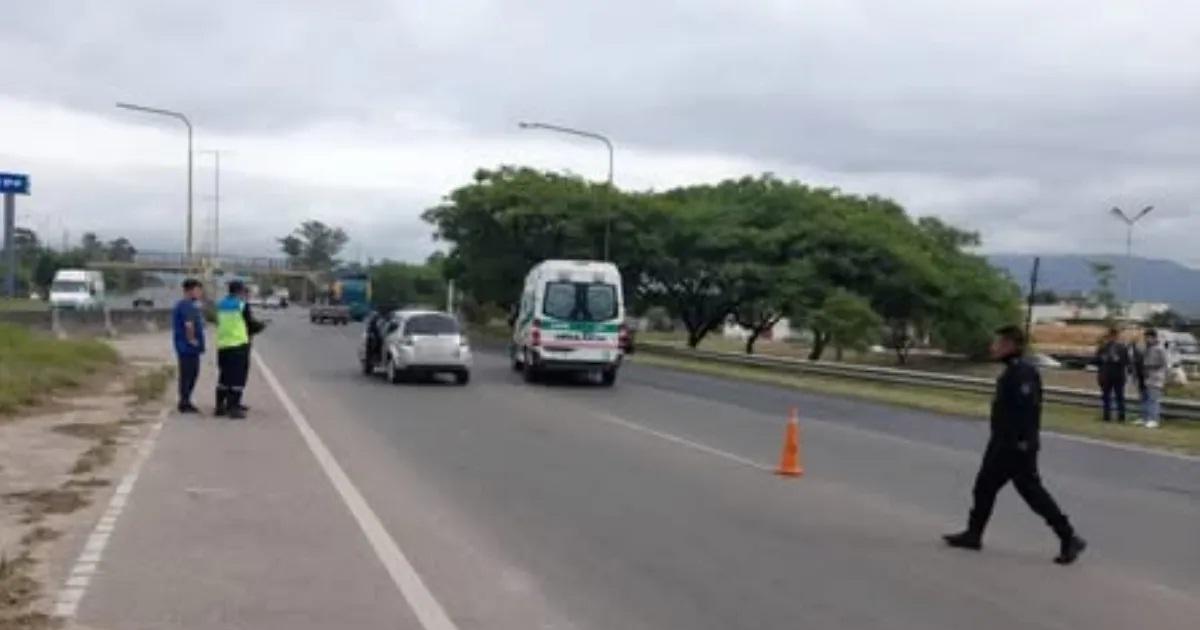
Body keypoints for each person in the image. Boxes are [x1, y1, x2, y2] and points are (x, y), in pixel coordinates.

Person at [944, 325, 1086, 565]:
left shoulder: (1022, 372)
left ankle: (1069, 536)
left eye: (998, 343)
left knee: (1029, 493)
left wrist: (1021, 442)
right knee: (986, 487)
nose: (993, 347)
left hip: (1016, 446)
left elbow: (1026, 412)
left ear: (1010, 345)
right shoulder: (1012, 371)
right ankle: (974, 534)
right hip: (1003, 442)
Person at [214, 280, 265, 419]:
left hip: (223, 345)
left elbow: (216, 321)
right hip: (238, 344)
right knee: (237, 378)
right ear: (239, 291)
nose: (244, 294)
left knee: (224, 377)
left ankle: (219, 406)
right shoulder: (242, 305)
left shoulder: (220, 305)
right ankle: (233, 407)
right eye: (243, 291)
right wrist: (262, 326)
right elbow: (250, 324)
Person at [172, 279, 206, 413]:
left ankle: (185, 400)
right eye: (198, 290)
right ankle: (184, 402)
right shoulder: (187, 305)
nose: (200, 293)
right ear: (190, 291)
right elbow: (189, 324)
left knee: (188, 374)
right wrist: (192, 339)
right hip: (187, 347)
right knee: (189, 374)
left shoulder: (185, 305)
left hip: (184, 346)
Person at [1094, 327, 1131, 422]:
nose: (1112, 338)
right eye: (1110, 336)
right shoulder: (1103, 347)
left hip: (1118, 375)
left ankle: (1121, 417)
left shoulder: (1122, 348)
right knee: (1106, 397)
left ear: (1116, 337)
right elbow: (1094, 360)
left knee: (1120, 397)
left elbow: (1127, 361)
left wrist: (1118, 360)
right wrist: (1102, 359)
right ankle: (1106, 416)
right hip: (1106, 376)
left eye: (1113, 336)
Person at [1140, 329, 1169, 429]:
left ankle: (1154, 420)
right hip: (1149, 377)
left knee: (1154, 400)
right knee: (1148, 399)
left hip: (1156, 378)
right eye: (1146, 337)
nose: (1146, 339)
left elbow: (1165, 364)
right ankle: (1147, 418)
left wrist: (1162, 376)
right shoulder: (1149, 348)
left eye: (1148, 337)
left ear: (1154, 337)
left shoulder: (1160, 349)